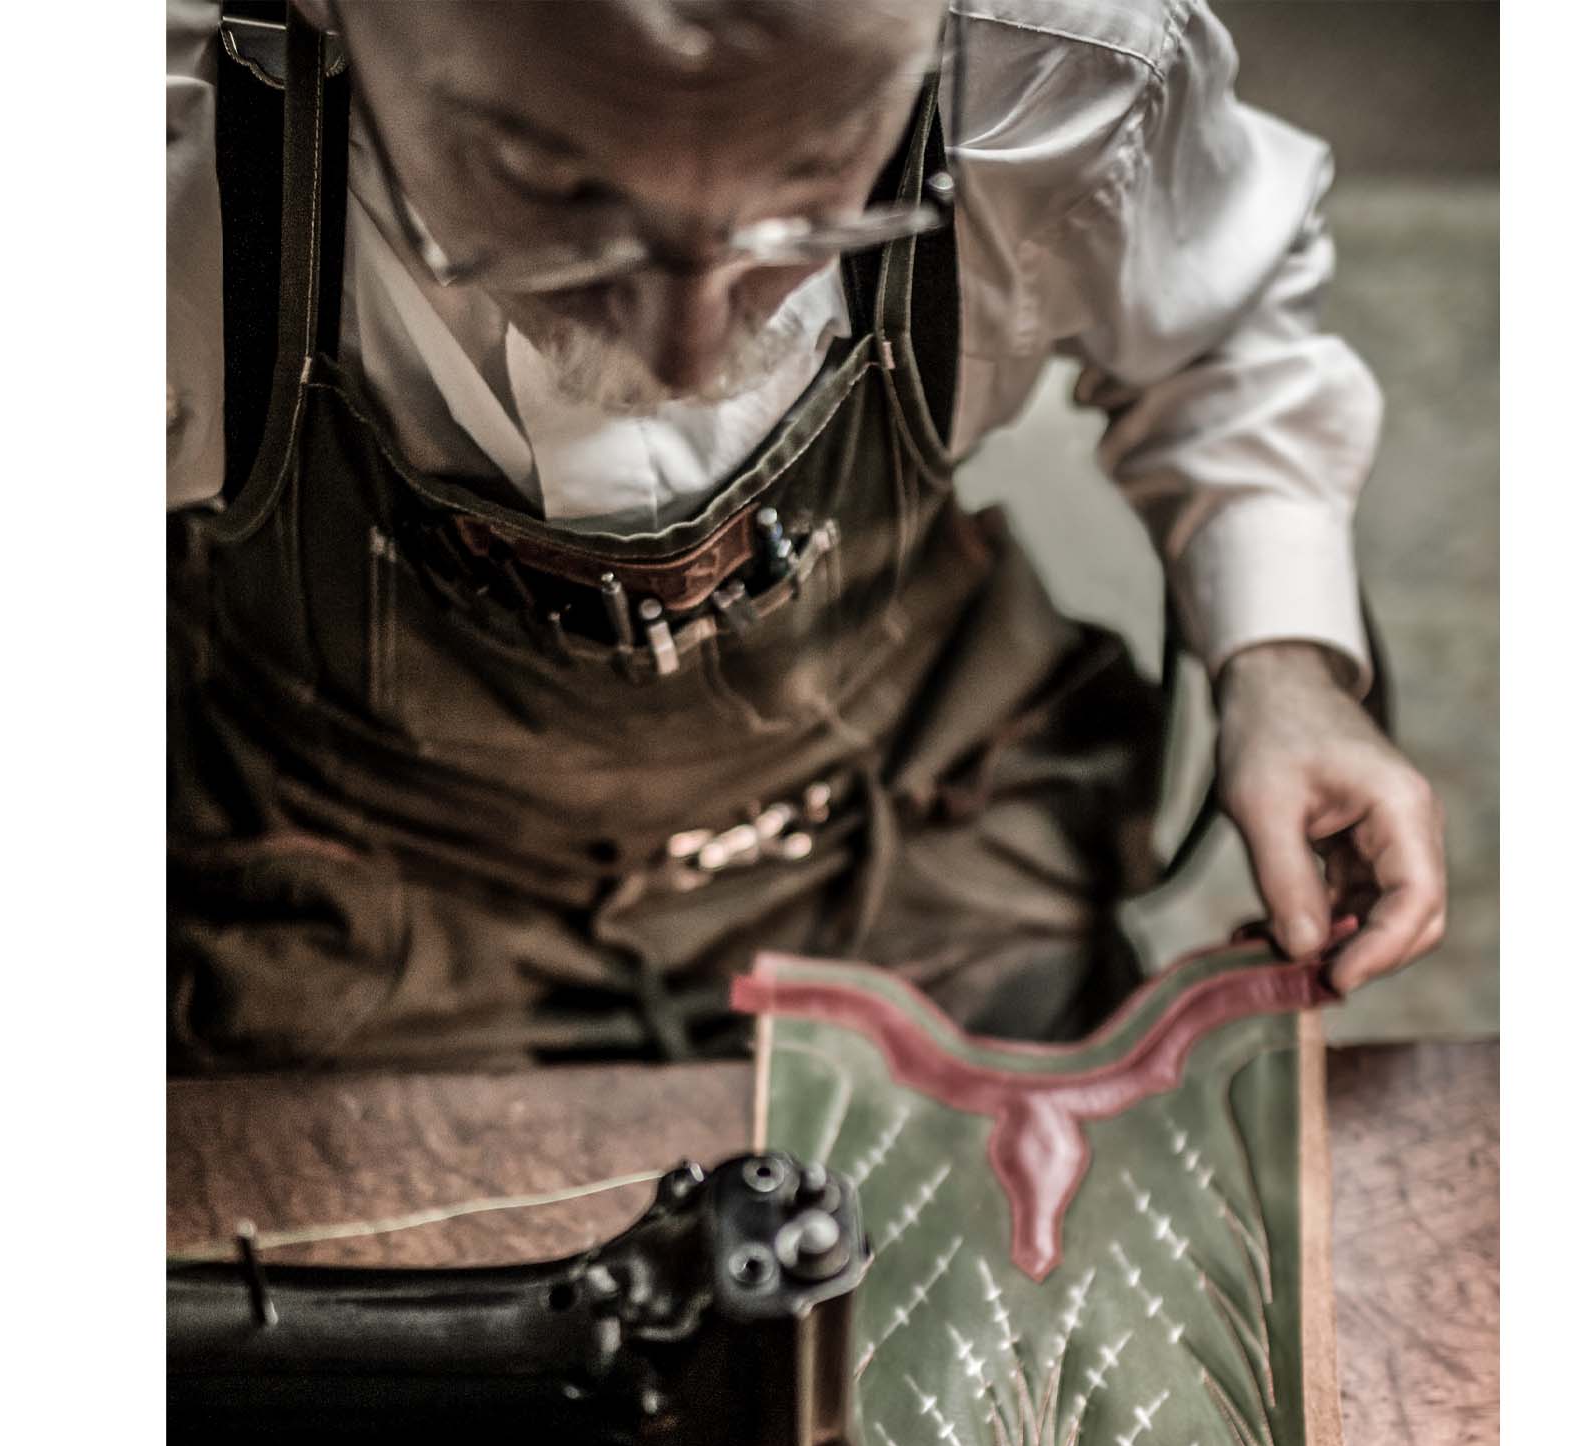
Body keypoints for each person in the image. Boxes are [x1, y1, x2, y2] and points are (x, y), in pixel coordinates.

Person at [166, 0, 1446, 1070]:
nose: (690, 350)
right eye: (556, 189)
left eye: (809, 196)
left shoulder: (1050, 58)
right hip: (342, 863)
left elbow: (1213, 334)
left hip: (903, 811)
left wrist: (1283, 670)